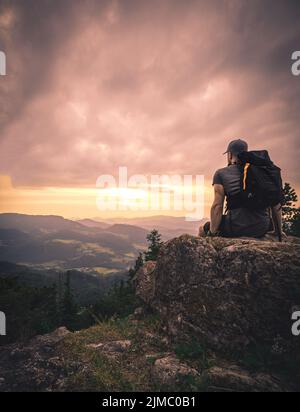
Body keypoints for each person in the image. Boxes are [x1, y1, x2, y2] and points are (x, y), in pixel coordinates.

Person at [199, 139, 284, 239]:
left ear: (229, 155)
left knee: (202, 229)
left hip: (236, 227)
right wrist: (278, 232)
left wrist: (212, 233)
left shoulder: (221, 173)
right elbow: (276, 204)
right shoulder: (262, 171)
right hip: (262, 227)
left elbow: (217, 206)